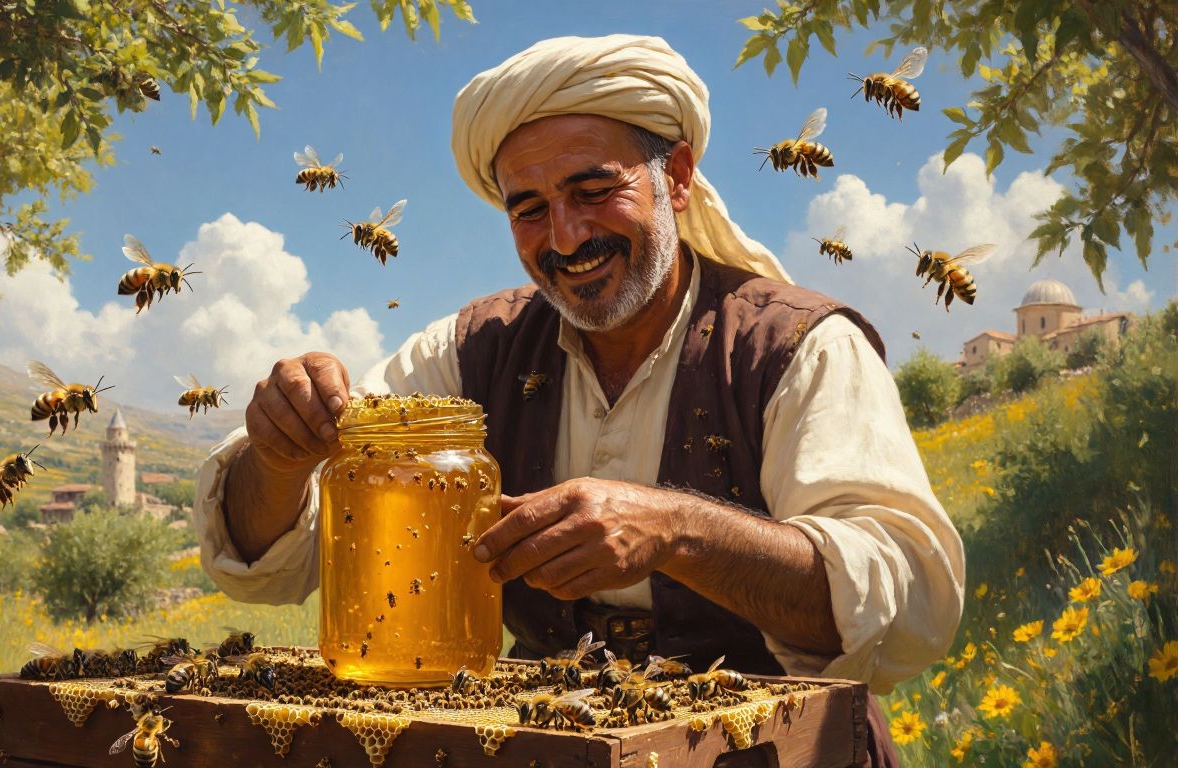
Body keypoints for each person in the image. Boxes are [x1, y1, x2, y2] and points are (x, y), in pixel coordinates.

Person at [195, 35, 963, 766]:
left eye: (594, 190)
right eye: (529, 209)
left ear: (679, 177)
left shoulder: (795, 348)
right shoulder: (469, 353)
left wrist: (678, 529)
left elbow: (910, 604)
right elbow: (270, 560)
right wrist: (281, 452)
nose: (565, 237)